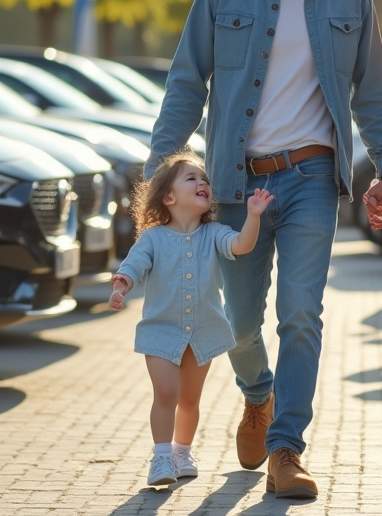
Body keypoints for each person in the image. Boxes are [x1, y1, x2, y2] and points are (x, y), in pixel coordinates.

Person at [148, 0, 382, 499]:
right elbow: (186, 85)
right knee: (237, 323)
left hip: (313, 175)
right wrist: (160, 176)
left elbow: (373, 92)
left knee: (300, 312)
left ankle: (287, 448)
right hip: (237, 183)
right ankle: (257, 395)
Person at [109, 149, 274, 488]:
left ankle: (182, 451)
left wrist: (254, 216)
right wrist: (120, 286)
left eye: (205, 180)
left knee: (189, 399)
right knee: (166, 393)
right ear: (168, 196)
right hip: (160, 331)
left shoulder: (214, 234)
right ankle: (161, 456)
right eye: (192, 178)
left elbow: (242, 246)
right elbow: (133, 265)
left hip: (202, 331)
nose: (203, 183)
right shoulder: (153, 237)